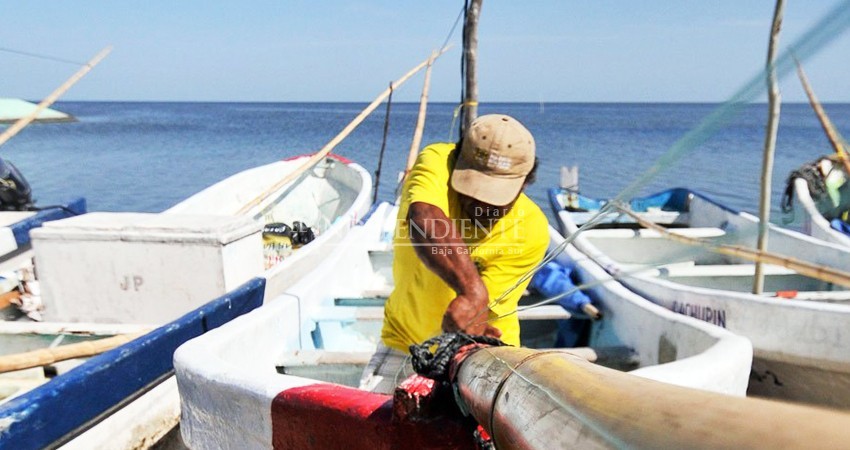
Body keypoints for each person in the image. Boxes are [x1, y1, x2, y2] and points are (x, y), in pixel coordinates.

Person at [359, 114, 549, 394]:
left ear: (525, 183)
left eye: (497, 196)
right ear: (457, 162)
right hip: (403, 341)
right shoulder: (437, 160)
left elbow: (477, 318)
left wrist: (474, 307)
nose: (483, 202)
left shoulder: (532, 229)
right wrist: (472, 290)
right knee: (367, 429)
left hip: (486, 351)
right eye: (472, 190)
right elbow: (423, 218)